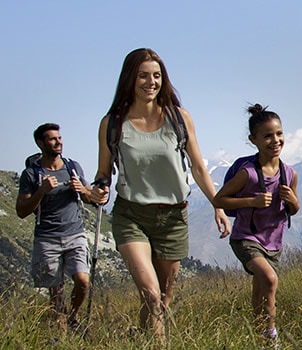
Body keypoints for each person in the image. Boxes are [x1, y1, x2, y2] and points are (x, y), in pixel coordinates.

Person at [89, 48, 230, 339]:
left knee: (162, 302)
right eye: (143, 76)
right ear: (130, 79)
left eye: (156, 75)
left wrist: (218, 205)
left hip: (173, 218)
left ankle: (141, 340)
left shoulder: (179, 118)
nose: (150, 82)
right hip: (132, 217)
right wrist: (100, 188)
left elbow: (199, 167)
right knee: (152, 295)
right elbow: (104, 172)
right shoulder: (113, 123)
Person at [212, 103, 300, 343]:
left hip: (274, 242)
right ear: (254, 140)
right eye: (268, 136)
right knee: (270, 279)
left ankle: (257, 338)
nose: (275, 140)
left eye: (279, 134)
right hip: (245, 238)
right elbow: (219, 199)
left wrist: (294, 201)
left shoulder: (290, 173)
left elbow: (293, 208)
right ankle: (271, 339)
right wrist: (252, 200)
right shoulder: (248, 172)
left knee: (261, 290)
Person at [16, 123, 100, 333]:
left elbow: (91, 198)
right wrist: (42, 191)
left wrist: (83, 191)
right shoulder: (31, 174)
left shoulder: (73, 167)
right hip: (47, 238)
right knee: (56, 290)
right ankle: (61, 328)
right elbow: (22, 210)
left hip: (75, 234)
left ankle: (72, 317)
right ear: (40, 143)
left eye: (59, 138)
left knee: (82, 280)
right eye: (52, 139)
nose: (58, 142)